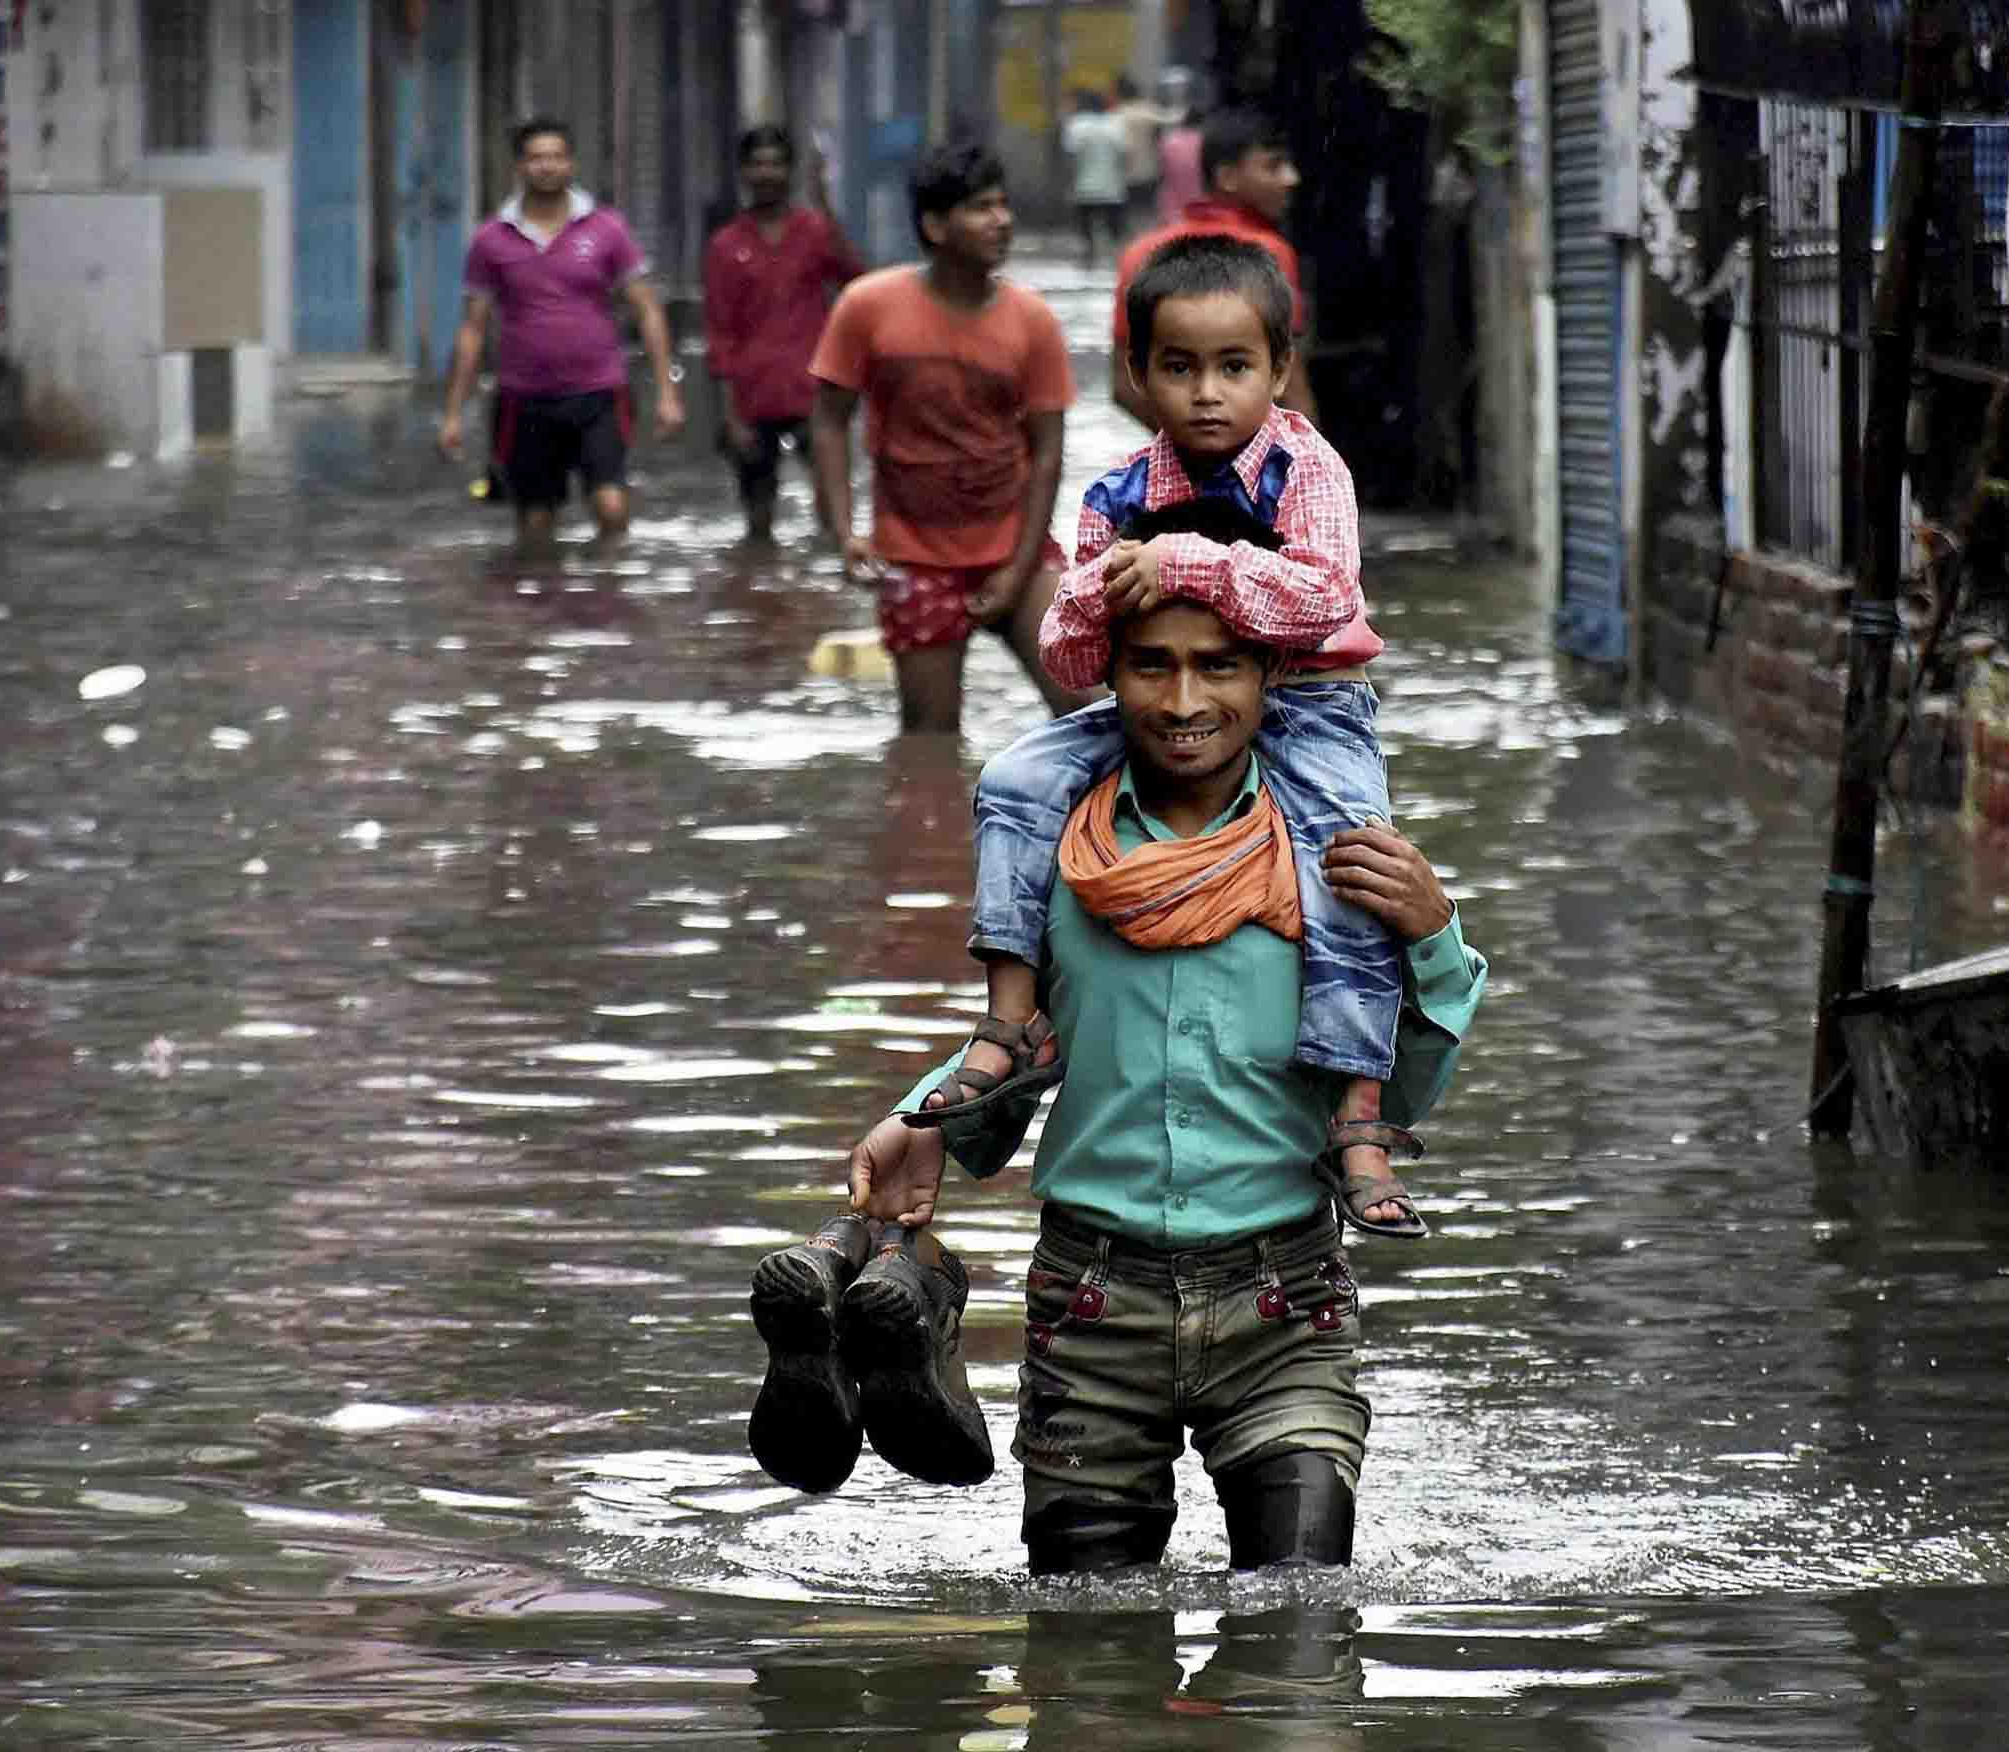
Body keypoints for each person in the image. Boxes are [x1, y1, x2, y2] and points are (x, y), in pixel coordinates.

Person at [747, 578, 1487, 1570]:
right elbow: (1037, 1039)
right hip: (1092, 1307)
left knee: (1299, 1650)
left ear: (1272, 675)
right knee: (1089, 1666)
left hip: (1285, 1308)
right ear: (1108, 677)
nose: (1185, 703)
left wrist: (1434, 932)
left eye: (1218, 665)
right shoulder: (1060, 850)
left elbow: (1395, 1091)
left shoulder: (1339, 861)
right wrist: (919, 1120)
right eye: (1154, 666)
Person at [913, 234, 1416, 1246]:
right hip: (1148, 707)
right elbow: (1066, 653)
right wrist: (1106, 587)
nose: (1206, 394)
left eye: (1235, 367)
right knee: (1016, 777)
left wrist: (1189, 565)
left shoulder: (1305, 466)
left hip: (1313, 706)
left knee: (1350, 871)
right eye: (1178, 368)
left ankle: (1359, 1120)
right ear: (1138, 376)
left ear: (1279, 371)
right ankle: (1010, 1017)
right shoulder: (1117, 494)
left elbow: (1324, 598)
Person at [809, 142, 1093, 735]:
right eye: (981, 208)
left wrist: (1017, 572)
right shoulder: (868, 307)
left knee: (1090, 710)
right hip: (914, 556)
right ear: (936, 226)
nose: (1003, 220)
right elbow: (830, 420)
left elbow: (1047, 455)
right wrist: (842, 532)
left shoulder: (1032, 321)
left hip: (1016, 548)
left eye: (1004, 205)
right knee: (930, 741)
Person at [438, 117, 687, 550]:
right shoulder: (492, 239)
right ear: (519, 167)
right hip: (524, 398)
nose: (546, 167)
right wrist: (454, 414)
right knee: (535, 526)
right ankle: (544, 609)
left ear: (571, 164)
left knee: (611, 507)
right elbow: (473, 328)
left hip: (599, 393)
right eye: (536, 158)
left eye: (555, 157)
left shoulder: (606, 229)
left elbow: (647, 310)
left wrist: (667, 391)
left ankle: (607, 602)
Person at [702, 126, 866, 547]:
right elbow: (719, 330)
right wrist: (730, 414)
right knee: (758, 526)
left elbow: (857, 279)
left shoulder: (815, 231)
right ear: (743, 172)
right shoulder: (725, 245)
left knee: (832, 513)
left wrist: (827, 205)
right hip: (752, 396)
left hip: (813, 391)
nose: (766, 173)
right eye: (757, 164)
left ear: (789, 171)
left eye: (775, 163)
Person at [1113, 106, 1318, 430]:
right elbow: (1292, 388)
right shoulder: (1270, 253)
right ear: (1227, 177)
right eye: (1273, 166)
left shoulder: (1140, 251)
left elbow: (1123, 386)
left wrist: (1187, 441)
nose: (1291, 179)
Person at [1060, 89, 1130, 271]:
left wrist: (1069, 182)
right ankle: (1117, 260)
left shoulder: (1076, 125)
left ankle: (1089, 259)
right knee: (1114, 228)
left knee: (1086, 227)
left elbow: (1070, 158)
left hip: (1084, 186)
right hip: (1112, 187)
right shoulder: (1116, 124)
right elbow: (1124, 154)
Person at [1112, 74, 1169, 228]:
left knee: (1129, 213)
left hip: (1126, 172)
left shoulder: (1117, 115)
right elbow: (1161, 136)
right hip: (1151, 169)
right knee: (1149, 212)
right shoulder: (1151, 111)